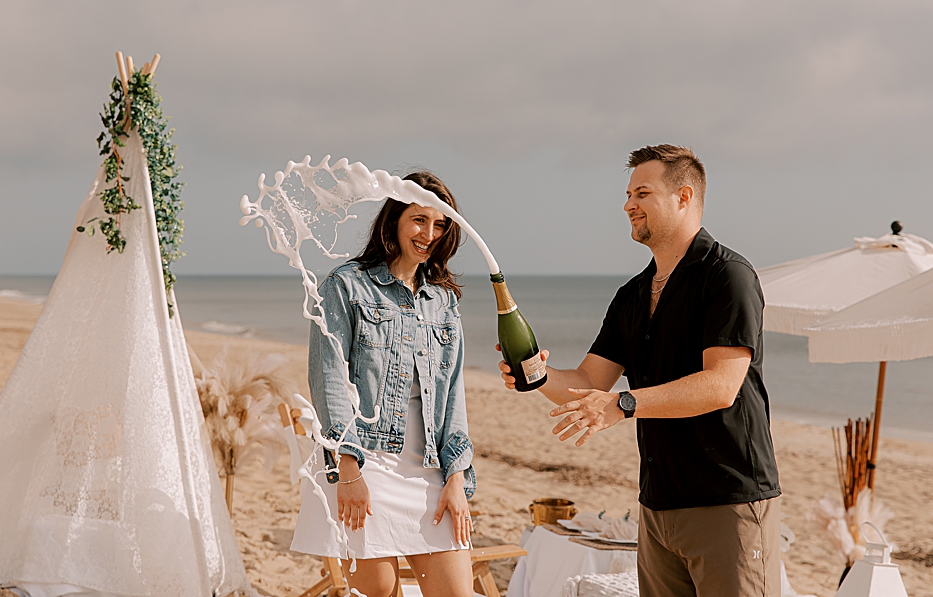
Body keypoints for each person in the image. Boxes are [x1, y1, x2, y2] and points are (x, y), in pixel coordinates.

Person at [499, 144, 781, 597]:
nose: (628, 204)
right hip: (657, 509)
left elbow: (721, 385)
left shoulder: (728, 276)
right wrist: (537, 376)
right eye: (629, 193)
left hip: (728, 501)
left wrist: (625, 404)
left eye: (642, 193)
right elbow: (591, 383)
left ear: (684, 197)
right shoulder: (632, 295)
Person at [291, 170, 478, 597]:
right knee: (379, 593)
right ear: (394, 218)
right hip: (365, 463)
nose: (429, 233)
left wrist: (456, 476)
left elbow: (454, 394)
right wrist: (348, 471)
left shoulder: (443, 300)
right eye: (419, 219)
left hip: (430, 467)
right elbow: (328, 381)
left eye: (440, 224)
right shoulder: (346, 286)